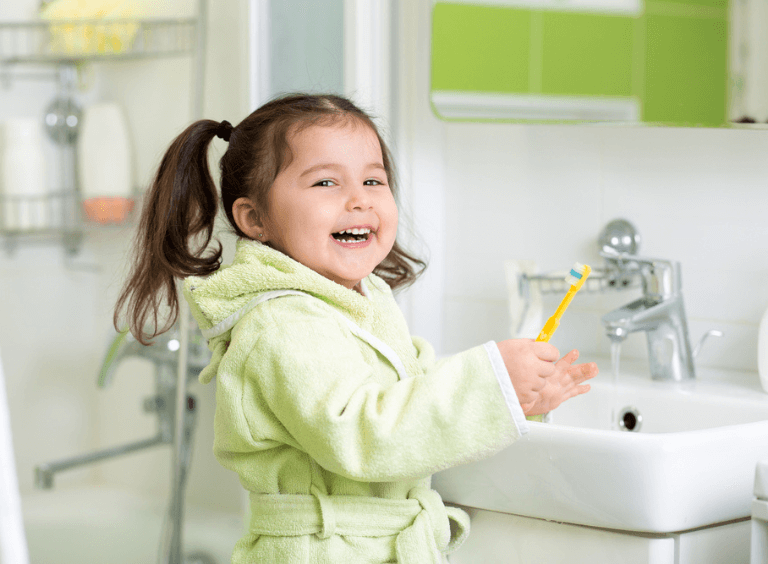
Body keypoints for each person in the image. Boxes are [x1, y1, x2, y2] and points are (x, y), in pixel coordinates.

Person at [115, 93, 598, 563]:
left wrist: (515, 394)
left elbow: (410, 386)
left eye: (373, 181)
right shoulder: (280, 323)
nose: (359, 201)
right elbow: (362, 432)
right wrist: (490, 385)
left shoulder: (363, 296)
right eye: (326, 183)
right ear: (255, 218)